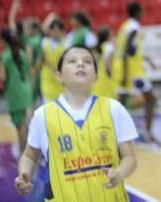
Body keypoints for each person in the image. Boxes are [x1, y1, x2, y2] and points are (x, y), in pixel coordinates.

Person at [15, 46, 138, 200]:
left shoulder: (114, 109)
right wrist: (24, 175)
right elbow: (30, 156)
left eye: (87, 61)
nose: (80, 64)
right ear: (59, 76)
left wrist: (120, 172)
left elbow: (129, 157)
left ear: (96, 76)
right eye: (72, 61)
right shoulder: (42, 115)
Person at [112, 1, 161, 146]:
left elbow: (131, 50)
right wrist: (126, 75)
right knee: (150, 99)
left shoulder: (126, 25)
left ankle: (114, 135)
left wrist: (147, 59)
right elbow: (127, 50)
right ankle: (147, 133)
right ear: (138, 12)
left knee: (121, 102)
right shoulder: (133, 27)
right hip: (132, 71)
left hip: (126, 68)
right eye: (143, 10)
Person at [0, 28, 33, 152]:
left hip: (14, 93)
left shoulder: (4, 56)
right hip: (25, 90)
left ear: (3, 40)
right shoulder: (21, 52)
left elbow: (3, 77)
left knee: (20, 124)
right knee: (24, 122)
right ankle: (29, 150)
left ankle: (24, 152)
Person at [39, 15, 66, 102]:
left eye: (57, 30)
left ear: (62, 31)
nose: (55, 32)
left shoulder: (67, 44)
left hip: (62, 83)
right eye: (53, 30)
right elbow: (40, 59)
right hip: (47, 81)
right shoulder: (44, 43)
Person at [93, 27, 117, 99]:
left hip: (98, 79)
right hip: (107, 79)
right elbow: (109, 67)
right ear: (108, 36)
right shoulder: (109, 47)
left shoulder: (98, 48)